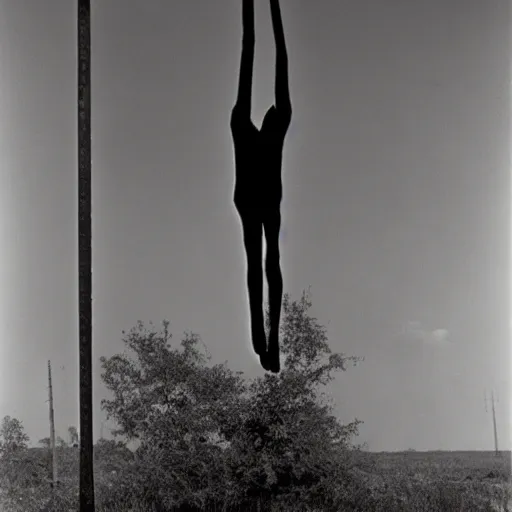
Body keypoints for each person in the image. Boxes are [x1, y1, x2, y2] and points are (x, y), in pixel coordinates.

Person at [231, 0, 292, 373]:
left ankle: (261, 335)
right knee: (270, 263)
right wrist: (272, 5)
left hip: (251, 200)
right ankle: (271, 339)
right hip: (266, 201)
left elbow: (248, 46)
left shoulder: (241, 124)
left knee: (258, 264)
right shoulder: (276, 124)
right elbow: (279, 56)